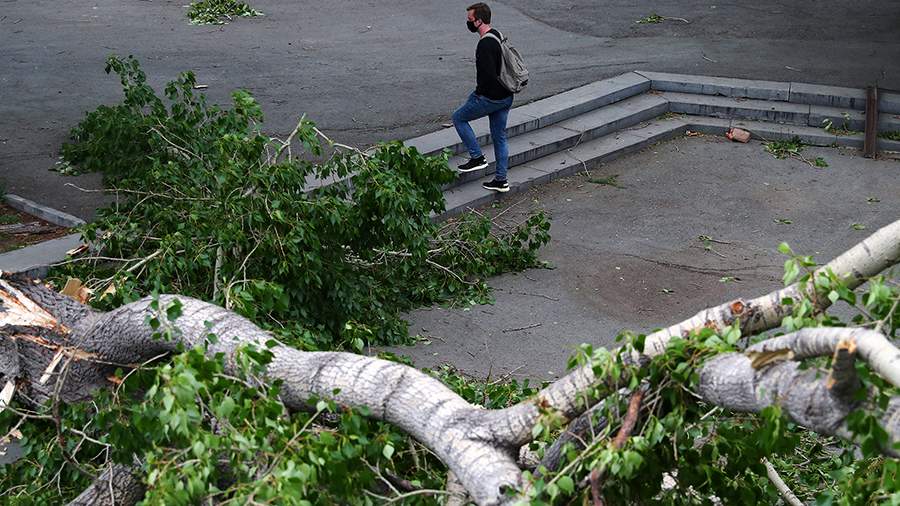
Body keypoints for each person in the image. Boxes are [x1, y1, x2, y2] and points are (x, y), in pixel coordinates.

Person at [452, 2, 513, 193]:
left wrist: (478, 95)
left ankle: (477, 157)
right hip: (506, 95)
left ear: (479, 21)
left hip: (491, 97)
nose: (468, 23)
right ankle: (501, 180)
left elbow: (486, 76)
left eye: (470, 19)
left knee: (459, 117)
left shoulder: (485, 43)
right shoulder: (497, 34)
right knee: (499, 137)